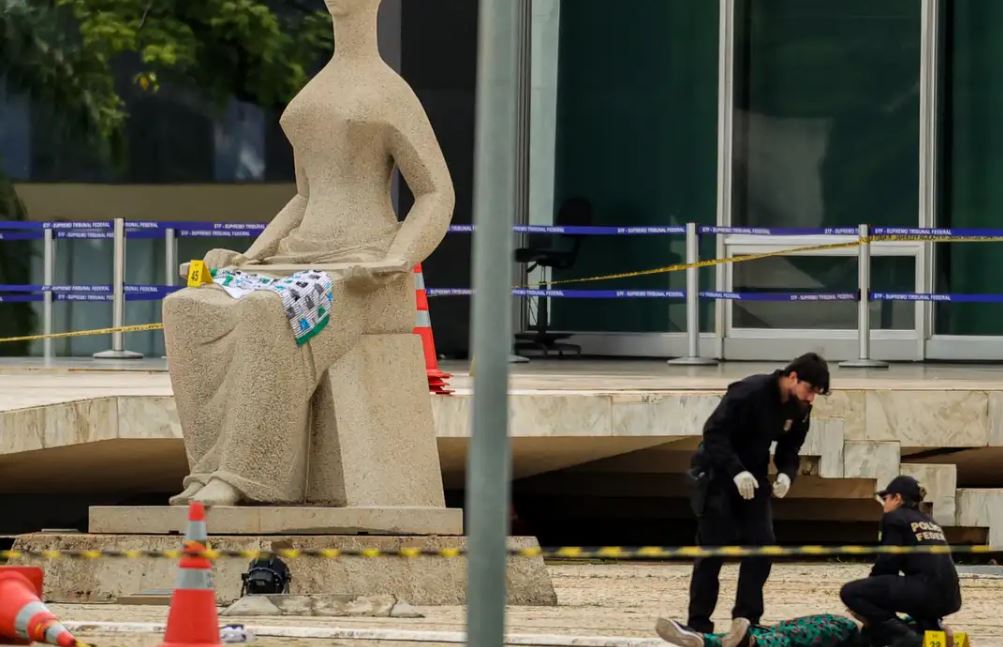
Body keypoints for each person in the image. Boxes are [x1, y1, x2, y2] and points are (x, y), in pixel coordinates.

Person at [684, 353, 830, 633]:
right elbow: (713, 432)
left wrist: (787, 473)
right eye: (810, 389)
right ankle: (698, 623)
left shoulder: (800, 408)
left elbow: (790, 447)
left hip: (755, 474)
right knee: (713, 550)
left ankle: (747, 619)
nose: (811, 398)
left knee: (762, 546)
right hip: (718, 471)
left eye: (817, 394)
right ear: (793, 377)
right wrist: (735, 470)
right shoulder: (749, 391)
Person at [840, 476, 962, 647]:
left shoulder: (894, 518)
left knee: (850, 592)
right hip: (951, 598)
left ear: (897, 498)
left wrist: (869, 593)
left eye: (885, 499)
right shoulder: (929, 521)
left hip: (925, 593)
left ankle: (903, 636)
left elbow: (887, 562)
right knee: (909, 587)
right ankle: (931, 628)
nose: (884, 504)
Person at [656, 614, 860, 647]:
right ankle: (703, 639)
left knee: (793, 636)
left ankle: (752, 643)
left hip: (855, 638)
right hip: (854, 630)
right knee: (783, 629)